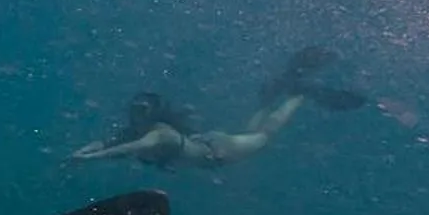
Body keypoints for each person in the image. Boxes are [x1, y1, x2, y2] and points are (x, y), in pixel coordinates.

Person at [69, 46, 366, 170]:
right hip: (210, 145)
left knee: (264, 135)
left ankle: (298, 96)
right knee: (256, 129)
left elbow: (122, 149)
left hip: (218, 152)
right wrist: (86, 150)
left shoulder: (157, 133)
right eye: (136, 108)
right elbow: (112, 142)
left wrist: (91, 158)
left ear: (153, 112)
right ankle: (288, 89)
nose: (137, 113)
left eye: (142, 109)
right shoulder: (140, 130)